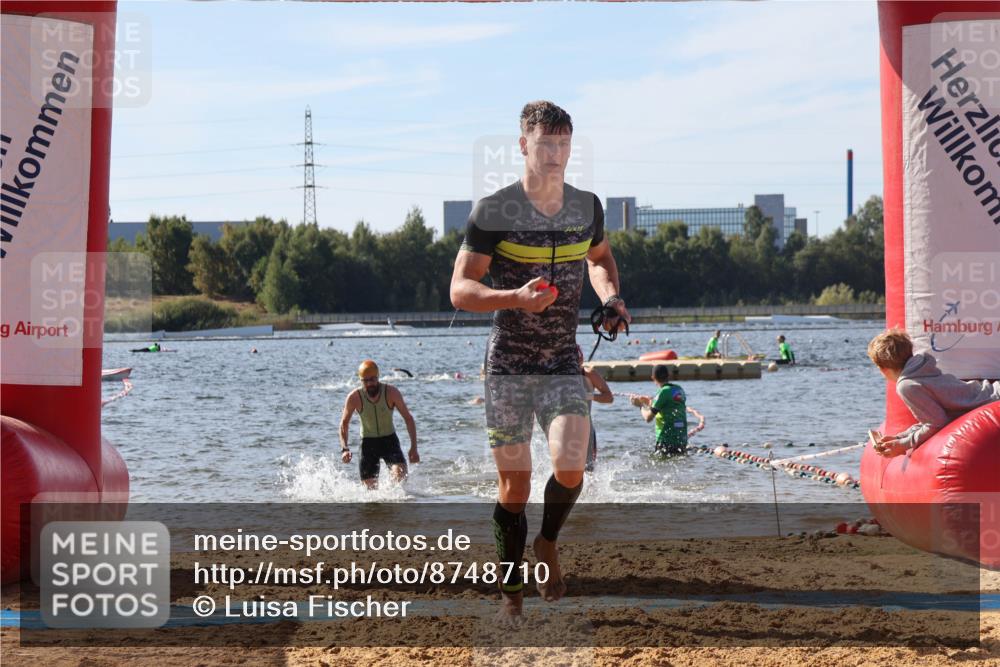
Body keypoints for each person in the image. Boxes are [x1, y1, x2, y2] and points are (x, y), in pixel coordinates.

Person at [449, 100, 630, 624]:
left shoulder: (586, 208)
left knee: (571, 467)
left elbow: (599, 260)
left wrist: (611, 298)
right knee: (516, 486)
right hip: (508, 364)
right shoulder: (494, 211)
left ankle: (546, 543)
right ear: (523, 145)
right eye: (545, 143)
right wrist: (515, 298)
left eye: (564, 144)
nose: (555, 154)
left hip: (560, 362)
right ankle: (510, 588)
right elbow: (461, 290)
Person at [866, 329, 999, 457]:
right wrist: (900, 437)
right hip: (992, 393)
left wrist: (903, 445)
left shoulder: (907, 385)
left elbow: (937, 423)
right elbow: (934, 418)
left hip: (993, 401)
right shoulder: (920, 368)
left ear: (883, 369)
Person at [339, 359, 419, 489]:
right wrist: (344, 449)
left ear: (378, 377)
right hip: (368, 444)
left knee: (400, 477)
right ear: (360, 380)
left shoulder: (391, 392)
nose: (370, 383)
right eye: (366, 380)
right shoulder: (354, 397)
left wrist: (414, 448)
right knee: (370, 493)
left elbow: (408, 418)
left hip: (389, 441)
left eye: (373, 379)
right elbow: (344, 424)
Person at [631, 364, 688, 456]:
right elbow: (667, 407)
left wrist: (640, 405)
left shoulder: (663, 392)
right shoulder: (679, 389)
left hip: (666, 440)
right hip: (681, 439)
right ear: (668, 375)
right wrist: (649, 402)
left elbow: (648, 418)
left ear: (653, 378)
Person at [577, 345, 613, 472]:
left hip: (585, 427)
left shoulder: (589, 373)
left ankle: (591, 492)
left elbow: (609, 397)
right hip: (562, 426)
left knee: (588, 469)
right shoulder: (558, 376)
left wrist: (588, 396)